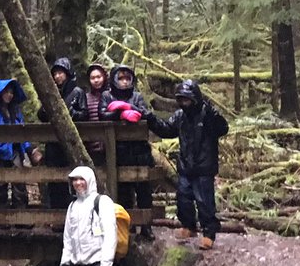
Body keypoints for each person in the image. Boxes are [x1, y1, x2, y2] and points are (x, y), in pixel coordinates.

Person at [146, 79, 229, 250]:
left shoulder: (207, 114)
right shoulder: (180, 116)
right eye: (181, 99)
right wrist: (151, 119)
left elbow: (222, 129)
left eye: (187, 99)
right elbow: (167, 129)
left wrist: (214, 115)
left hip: (204, 167)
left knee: (204, 202)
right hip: (186, 166)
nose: (184, 103)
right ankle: (188, 226)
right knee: (183, 199)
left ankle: (209, 233)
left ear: (195, 98)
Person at [100, 65, 155, 231]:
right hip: (118, 151)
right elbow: (102, 114)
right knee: (123, 190)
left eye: (127, 78)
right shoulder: (107, 95)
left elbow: (146, 114)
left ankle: (146, 227)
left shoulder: (136, 96)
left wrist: (129, 108)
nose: (124, 82)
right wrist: (118, 114)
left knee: (143, 189)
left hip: (139, 151)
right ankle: (126, 226)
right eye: (121, 78)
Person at [39, 57, 88, 208]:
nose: (58, 76)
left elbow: (84, 114)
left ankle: (75, 210)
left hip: (71, 142)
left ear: (67, 73)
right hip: (53, 144)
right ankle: (56, 212)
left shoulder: (77, 92)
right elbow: (41, 114)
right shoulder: (51, 92)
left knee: (73, 178)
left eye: (61, 73)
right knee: (54, 181)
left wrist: (73, 113)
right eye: (55, 74)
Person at [0, 78, 37, 208]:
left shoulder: (15, 111)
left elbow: (22, 132)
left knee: (19, 183)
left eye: (11, 92)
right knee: (0, 184)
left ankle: (21, 212)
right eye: (6, 92)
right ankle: (2, 214)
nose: (9, 95)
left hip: (15, 150)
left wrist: (28, 148)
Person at [84, 62, 111, 166]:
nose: (96, 80)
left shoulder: (111, 95)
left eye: (98, 77)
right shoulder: (85, 97)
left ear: (104, 77)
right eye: (92, 78)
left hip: (110, 143)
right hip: (91, 145)